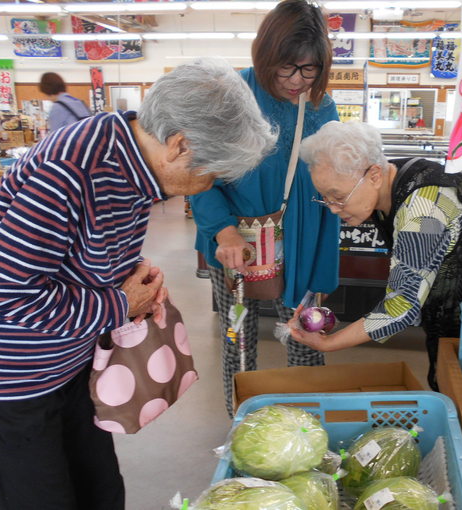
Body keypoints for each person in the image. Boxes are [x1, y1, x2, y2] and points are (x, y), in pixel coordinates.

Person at [0, 59, 276, 510]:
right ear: (180, 145)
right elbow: (2, 293)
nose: (207, 185)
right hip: (14, 378)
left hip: (71, 360)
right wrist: (117, 303)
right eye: (211, 173)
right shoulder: (67, 171)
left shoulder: (130, 158)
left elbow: (84, 248)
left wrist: (137, 279)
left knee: (101, 492)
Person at [292, 121, 462, 390]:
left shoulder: (424, 208)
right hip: (455, 303)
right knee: (452, 380)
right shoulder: (389, 175)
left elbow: (402, 307)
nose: (333, 208)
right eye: (324, 197)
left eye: (337, 196)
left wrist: (330, 343)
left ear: (373, 175)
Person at [189, 0, 341, 418]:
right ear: (266, 56)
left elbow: (327, 177)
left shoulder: (320, 106)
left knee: (306, 335)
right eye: (286, 68)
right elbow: (198, 174)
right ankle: (240, 422)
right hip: (237, 241)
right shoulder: (231, 97)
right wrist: (222, 231)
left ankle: (310, 425)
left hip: (302, 240)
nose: (296, 80)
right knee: (238, 337)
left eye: (308, 69)